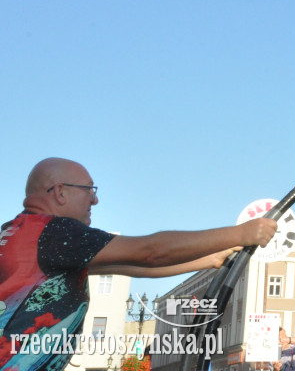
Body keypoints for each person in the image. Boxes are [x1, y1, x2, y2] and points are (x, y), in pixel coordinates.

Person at [0, 157, 278, 371]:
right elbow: (149, 251)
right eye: (89, 190)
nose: (95, 199)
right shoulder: (57, 232)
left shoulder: (20, 233)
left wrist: (211, 259)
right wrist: (242, 233)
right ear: (60, 192)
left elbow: (136, 266)